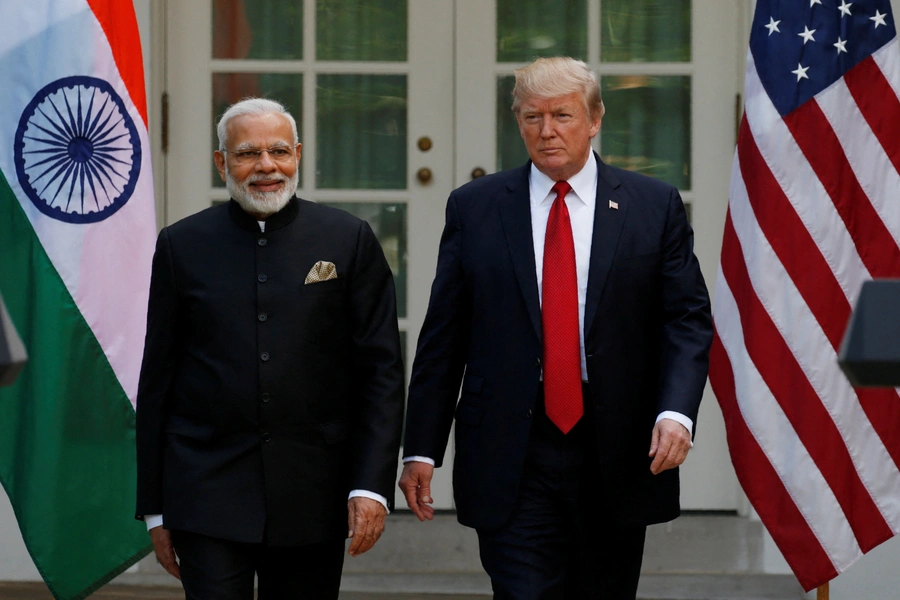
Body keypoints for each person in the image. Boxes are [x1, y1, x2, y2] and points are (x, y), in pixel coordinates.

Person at [399, 57, 713, 599]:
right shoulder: (474, 208)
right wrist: (421, 447)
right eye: (531, 117)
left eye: (562, 115)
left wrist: (676, 412)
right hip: (511, 448)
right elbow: (444, 335)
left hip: (615, 444)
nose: (546, 131)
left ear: (594, 120)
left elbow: (685, 319)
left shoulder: (651, 205)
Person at [135, 97, 405, 600]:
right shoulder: (181, 245)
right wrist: (155, 507)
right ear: (222, 162)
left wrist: (370, 485)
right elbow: (158, 380)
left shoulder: (348, 239)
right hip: (206, 489)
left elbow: (382, 373)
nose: (265, 167)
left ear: (298, 154)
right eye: (247, 154)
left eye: (279, 151)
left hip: (314, 488)